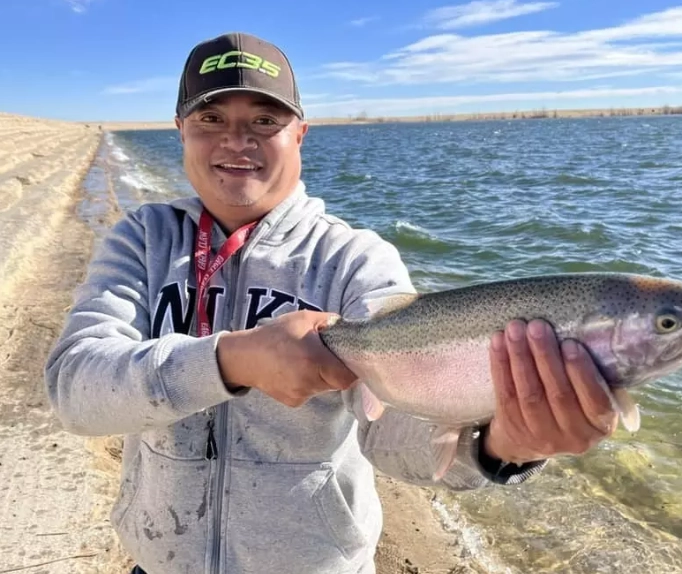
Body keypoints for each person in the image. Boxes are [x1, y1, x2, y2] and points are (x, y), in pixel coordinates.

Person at [44, 31, 619, 574]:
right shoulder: (143, 239)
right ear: (180, 129)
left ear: (299, 134)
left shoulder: (356, 260)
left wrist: (499, 445)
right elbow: (76, 390)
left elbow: (391, 431)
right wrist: (231, 361)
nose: (236, 141)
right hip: (162, 557)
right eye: (210, 119)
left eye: (264, 121)